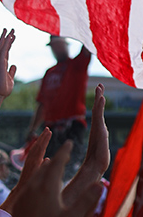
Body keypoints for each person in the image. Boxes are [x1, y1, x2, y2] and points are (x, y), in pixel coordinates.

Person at [14, 37, 91, 174]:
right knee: (47, 168)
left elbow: (88, 47)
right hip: (50, 128)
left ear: (65, 44)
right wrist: (32, 129)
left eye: (58, 44)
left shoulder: (77, 65)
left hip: (72, 126)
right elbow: (42, 104)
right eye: (53, 46)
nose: (56, 49)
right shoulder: (49, 73)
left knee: (69, 168)